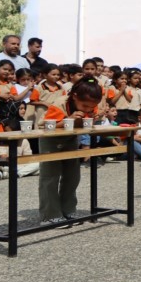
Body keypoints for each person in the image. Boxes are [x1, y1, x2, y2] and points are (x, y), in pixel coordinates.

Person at [38, 75, 102, 228]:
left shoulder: (91, 105)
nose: (88, 109)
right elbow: (44, 125)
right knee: (50, 177)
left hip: (71, 139)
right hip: (50, 141)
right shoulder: (60, 103)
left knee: (72, 176)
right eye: (85, 106)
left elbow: (88, 120)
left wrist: (93, 117)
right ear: (74, 96)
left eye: (92, 107)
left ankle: (68, 210)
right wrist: (70, 119)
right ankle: (50, 215)